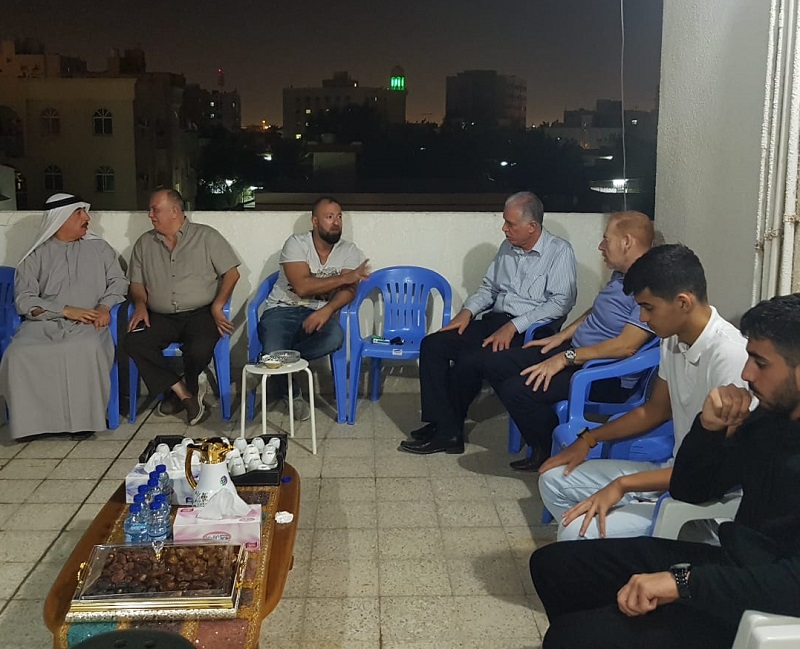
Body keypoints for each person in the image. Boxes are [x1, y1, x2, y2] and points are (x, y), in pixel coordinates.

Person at [530, 293, 800, 649]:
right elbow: (692, 489)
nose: (747, 373)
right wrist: (709, 428)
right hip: (736, 564)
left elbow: (791, 584)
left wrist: (683, 583)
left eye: (760, 363)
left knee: (571, 638)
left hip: (771, 601)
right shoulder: (771, 417)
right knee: (554, 567)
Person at [538, 244, 748, 540]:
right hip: (673, 471)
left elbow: (718, 471)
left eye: (648, 307)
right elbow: (653, 411)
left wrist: (623, 485)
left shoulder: (730, 355)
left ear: (683, 302)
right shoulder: (672, 339)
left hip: (705, 500)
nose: (643, 318)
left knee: (573, 533)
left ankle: (665, 550)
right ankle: (619, 549)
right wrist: (588, 439)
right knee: (553, 481)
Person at [399, 191, 577, 455]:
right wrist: (467, 312)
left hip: (529, 331)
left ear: (532, 226)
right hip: (495, 319)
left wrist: (514, 326)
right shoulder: (507, 247)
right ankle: (441, 423)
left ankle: (448, 434)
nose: (504, 229)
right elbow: (488, 289)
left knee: (471, 360)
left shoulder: (559, 251)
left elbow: (561, 303)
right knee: (434, 344)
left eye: (510, 224)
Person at [480, 211, 656, 471]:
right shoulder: (622, 274)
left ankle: (551, 449)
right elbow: (596, 311)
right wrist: (561, 336)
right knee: (495, 363)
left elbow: (626, 346)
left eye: (606, 239)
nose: (601, 246)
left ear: (627, 242)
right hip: (577, 352)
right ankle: (545, 433)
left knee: (516, 390)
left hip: (605, 373)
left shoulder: (650, 284)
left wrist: (565, 358)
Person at [0, 193, 128, 441]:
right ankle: (31, 426)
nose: (87, 218)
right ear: (60, 219)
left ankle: (82, 422)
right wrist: (65, 310)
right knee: (18, 354)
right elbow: (24, 299)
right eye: (80, 213)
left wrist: (104, 307)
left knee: (84, 348)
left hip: (90, 322)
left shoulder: (100, 249)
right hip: (44, 323)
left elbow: (118, 282)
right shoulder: (36, 254)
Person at [123, 188, 240, 426]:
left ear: (174, 211)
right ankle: (184, 393)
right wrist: (140, 304)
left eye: (155, 210)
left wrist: (218, 305)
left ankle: (183, 389)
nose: (150, 215)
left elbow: (232, 274)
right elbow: (136, 283)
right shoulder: (145, 243)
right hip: (160, 315)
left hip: (200, 313)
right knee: (134, 341)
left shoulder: (206, 236)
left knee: (199, 349)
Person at [257, 196, 368, 420]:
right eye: (329, 217)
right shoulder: (296, 244)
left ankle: (277, 360)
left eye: (339, 217)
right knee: (274, 348)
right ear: (315, 221)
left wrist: (327, 310)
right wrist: (343, 278)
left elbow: (349, 290)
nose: (336, 222)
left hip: (319, 313)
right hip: (282, 310)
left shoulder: (349, 250)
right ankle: (291, 393)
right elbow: (302, 287)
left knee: (334, 337)